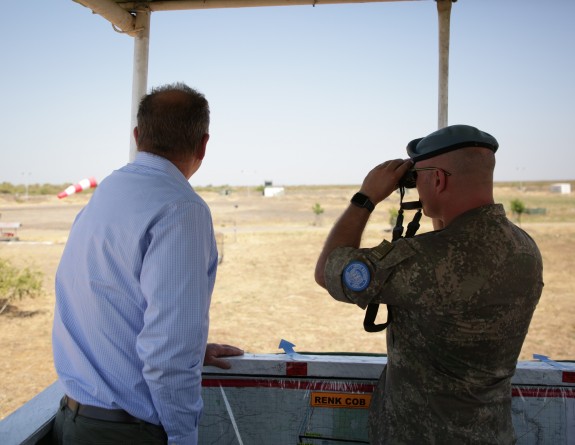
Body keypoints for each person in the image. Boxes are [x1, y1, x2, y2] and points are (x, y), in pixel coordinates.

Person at [315, 124, 543, 444]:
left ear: (438, 179)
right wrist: (437, 198)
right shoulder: (524, 248)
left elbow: (328, 271)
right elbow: (453, 242)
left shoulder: (425, 260)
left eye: (420, 178)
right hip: (493, 433)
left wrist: (365, 197)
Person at [52, 83, 243, 445]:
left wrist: (192, 347)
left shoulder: (108, 191)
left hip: (75, 419)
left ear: (138, 136)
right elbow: (168, 350)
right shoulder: (181, 209)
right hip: (123, 432)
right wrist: (183, 436)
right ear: (204, 144)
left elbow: (101, 300)